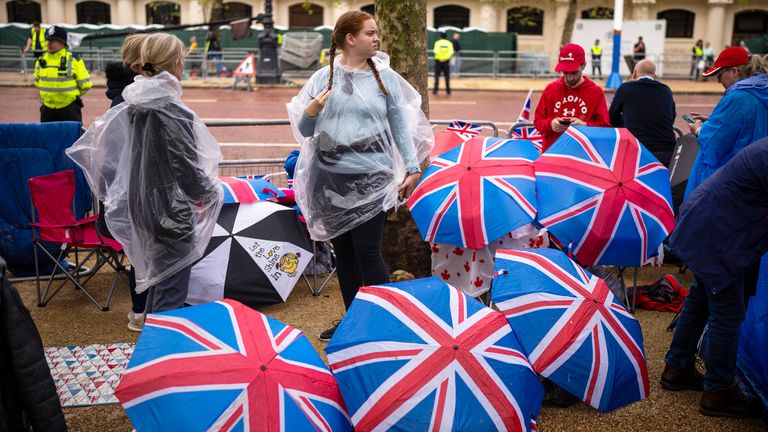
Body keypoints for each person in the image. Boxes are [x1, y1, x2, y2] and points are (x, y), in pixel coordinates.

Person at [286, 11, 433, 341]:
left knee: (368, 252)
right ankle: (355, 323)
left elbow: (399, 125)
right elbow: (306, 130)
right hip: (330, 179)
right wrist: (310, 113)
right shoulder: (323, 78)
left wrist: (411, 168)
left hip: (371, 177)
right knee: (346, 255)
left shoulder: (384, 77)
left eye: (377, 32)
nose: (376, 38)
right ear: (350, 39)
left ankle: (383, 322)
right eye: (370, 33)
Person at [67, 33, 223, 314]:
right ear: (177, 63)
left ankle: (152, 342)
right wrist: (214, 193)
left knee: (159, 284)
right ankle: (163, 351)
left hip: (141, 207)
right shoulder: (171, 109)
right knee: (171, 294)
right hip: (169, 213)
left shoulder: (133, 104)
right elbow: (186, 169)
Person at [662, 137, 768, 419]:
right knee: (728, 312)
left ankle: (677, 368)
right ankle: (719, 391)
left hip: (708, 224)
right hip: (718, 234)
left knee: (701, 298)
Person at [100, 33, 149, 331]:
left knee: (143, 255)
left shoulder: (126, 95)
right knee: (143, 256)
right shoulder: (130, 99)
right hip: (135, 191)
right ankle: (141, 313)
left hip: (134, 190)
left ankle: (142, 312)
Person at [684, 47, 768, 198]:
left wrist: (698, 129)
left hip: (732, 177)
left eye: (719, 75)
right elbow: (748, 124)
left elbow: (715, 140)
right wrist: (714, 121)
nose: (718, 81)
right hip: (756, 173)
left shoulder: (738, 96)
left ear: (735, 71)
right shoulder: (761, 90)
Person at [533, 43, 610, 152]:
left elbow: (605, 129)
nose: (569, 77)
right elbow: (538, 122)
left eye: (574, 72)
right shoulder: (551, 89)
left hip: (583, 155)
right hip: (553, 153)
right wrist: (551, 124)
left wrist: (585, 126)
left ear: (583, 65)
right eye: (565, 72)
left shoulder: (595, 92)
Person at [609, 59, 676, 166]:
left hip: (637, 149)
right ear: (654, 75)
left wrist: (628, 123)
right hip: (667, 150)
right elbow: (671, 117)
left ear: (634, 73)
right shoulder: (666, 90)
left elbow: (612, 117)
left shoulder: (626, 88)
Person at [34, 26, 92, 123]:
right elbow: (37, 82)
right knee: (48, 137)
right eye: (48, 40)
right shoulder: (41, 60)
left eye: (52, 40)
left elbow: (86, 85)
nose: (49, 43)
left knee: (72, 138)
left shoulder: (74, 60)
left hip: (69, 109)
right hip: (47, 109)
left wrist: (70, 96)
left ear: (62, 42)